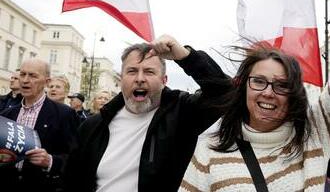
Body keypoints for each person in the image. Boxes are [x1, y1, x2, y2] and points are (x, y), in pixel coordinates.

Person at [64, 34, 232, 192]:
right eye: (132, 71)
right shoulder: (93, 126)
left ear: (164, 80)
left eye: (149, 72)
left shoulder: (182, 113)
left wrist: (186, 56)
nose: (139, 78)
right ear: (121, 79)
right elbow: (71, 181)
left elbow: (225, 92)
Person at [179, 46, 330, 192]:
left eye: (282, 85)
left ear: (293, 94)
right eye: (258, 81)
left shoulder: (316, 128)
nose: (268, 93)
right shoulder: (207, 151)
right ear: (244, 87)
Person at [0, 58, 79, 192]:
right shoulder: (7, 114)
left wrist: (50, 161)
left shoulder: (64, 114)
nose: (25, 80)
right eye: (23, 74)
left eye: (32, 75)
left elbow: (76, 158)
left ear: (47, 82)